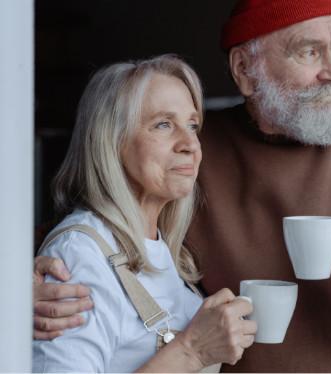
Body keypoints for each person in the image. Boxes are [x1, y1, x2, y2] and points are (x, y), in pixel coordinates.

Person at [33, 0, 331, 372]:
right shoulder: (189, 156)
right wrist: (21, 284)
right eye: (309, 51)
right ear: (245, 69)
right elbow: (94, 233)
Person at [32, 54, 256, 373]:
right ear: (112, 141)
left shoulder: (161, 248)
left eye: (192, 125)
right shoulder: (80, 257)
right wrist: (191, 351)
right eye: (163, 124)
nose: (190, 144)